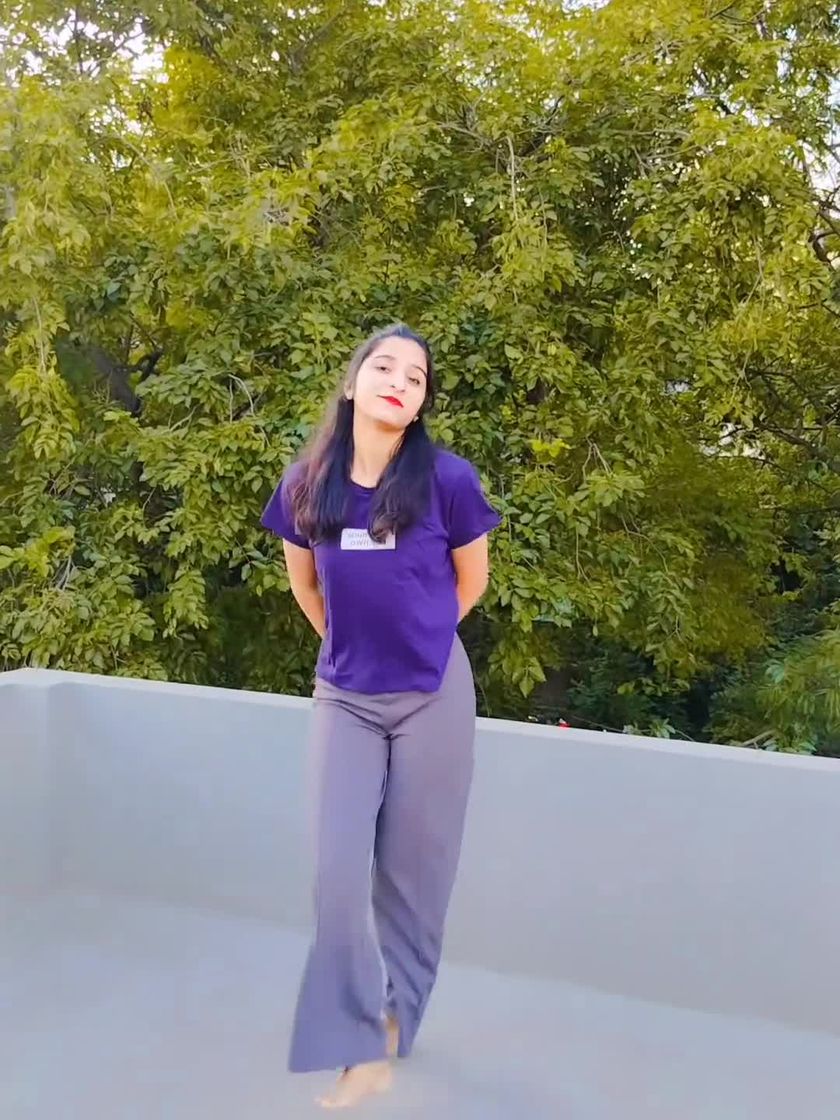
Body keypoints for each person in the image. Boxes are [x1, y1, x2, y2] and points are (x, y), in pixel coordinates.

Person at [260, 322, 502, 1109]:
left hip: (433, 694)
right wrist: (350, 647)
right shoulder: (306, 484)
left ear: (421, 403)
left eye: (416, 377)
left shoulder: (448, 481)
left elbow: (472, 581)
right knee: (335, 875)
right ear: (353, 382)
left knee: (414, 875)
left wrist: (422, 639)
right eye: (385, 366)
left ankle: (392, 1024)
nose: (400, 381)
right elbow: (306, 586)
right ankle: (355, 1038)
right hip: (347, 697)